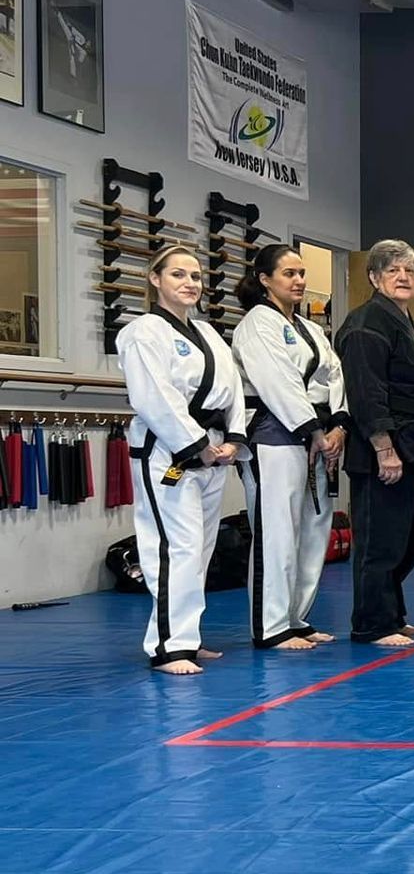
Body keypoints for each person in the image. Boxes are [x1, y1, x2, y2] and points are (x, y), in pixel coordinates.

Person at [119, 245, 248, 674]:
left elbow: (231, 389)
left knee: (201, 549)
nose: (190, 283)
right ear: (155, 280)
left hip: (212, 451)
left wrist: (232, 438)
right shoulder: (143, 331)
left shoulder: (209, 333)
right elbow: (153, 395)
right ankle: (168, 646)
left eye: (195, 276)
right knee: (176, 546)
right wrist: (196, 445)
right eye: (178, 275)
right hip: (168, 451)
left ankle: (187, 637)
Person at [336, 239, 414, 647]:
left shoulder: (407, 322)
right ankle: (372, 622)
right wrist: (385, 447)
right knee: (380, 540)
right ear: (373, 277)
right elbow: (366, 392)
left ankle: (393, 613)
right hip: (383, 445)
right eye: (392, 271)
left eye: (409, 271)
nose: (403, 277)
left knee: (410, 537)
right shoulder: (366, 322)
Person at [232, 243, 346, 650]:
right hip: (274, 436)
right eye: (289, 274)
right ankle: (271, 624)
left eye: (302, 274)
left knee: (312, 530)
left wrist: (339, 425)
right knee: (276, 531)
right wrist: (315, 429)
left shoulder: (312, 329)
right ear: (265, 280)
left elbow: (335, 376)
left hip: (317, 436)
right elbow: (277, 381)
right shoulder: (256, 325)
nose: (299, 281)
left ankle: (296, 616)